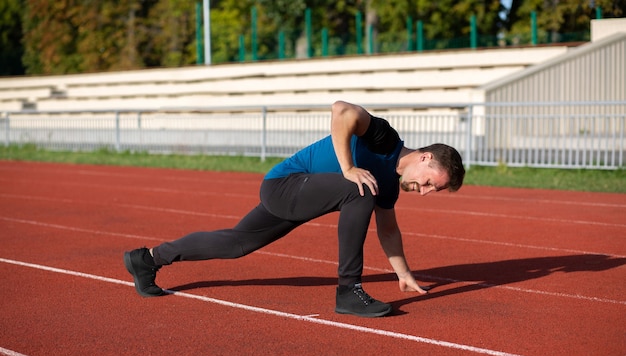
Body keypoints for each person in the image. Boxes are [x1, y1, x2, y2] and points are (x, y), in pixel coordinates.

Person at [123, 100, 465, 318]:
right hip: (286, 184)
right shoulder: (385, 139)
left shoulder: (389, 185)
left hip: (296, 194)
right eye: (431, 181)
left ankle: (147, 259)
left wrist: (403, 274)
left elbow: (388, 230)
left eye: (433, 191)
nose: (426, 191)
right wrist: (347, 168)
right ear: (425, 157)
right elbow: (341, 109)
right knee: (359, 189)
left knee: (237, 244)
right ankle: (348, 291)